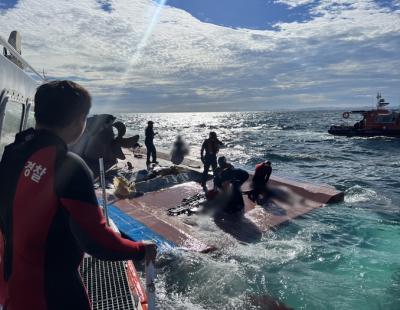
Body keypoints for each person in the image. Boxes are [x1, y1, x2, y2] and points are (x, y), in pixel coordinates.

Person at [0, 80, 157, 310]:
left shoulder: (13, 152)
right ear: (78, 121)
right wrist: (141, 250)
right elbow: (97, 242)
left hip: (11, 288)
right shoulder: (67, 165)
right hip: (53, 296)